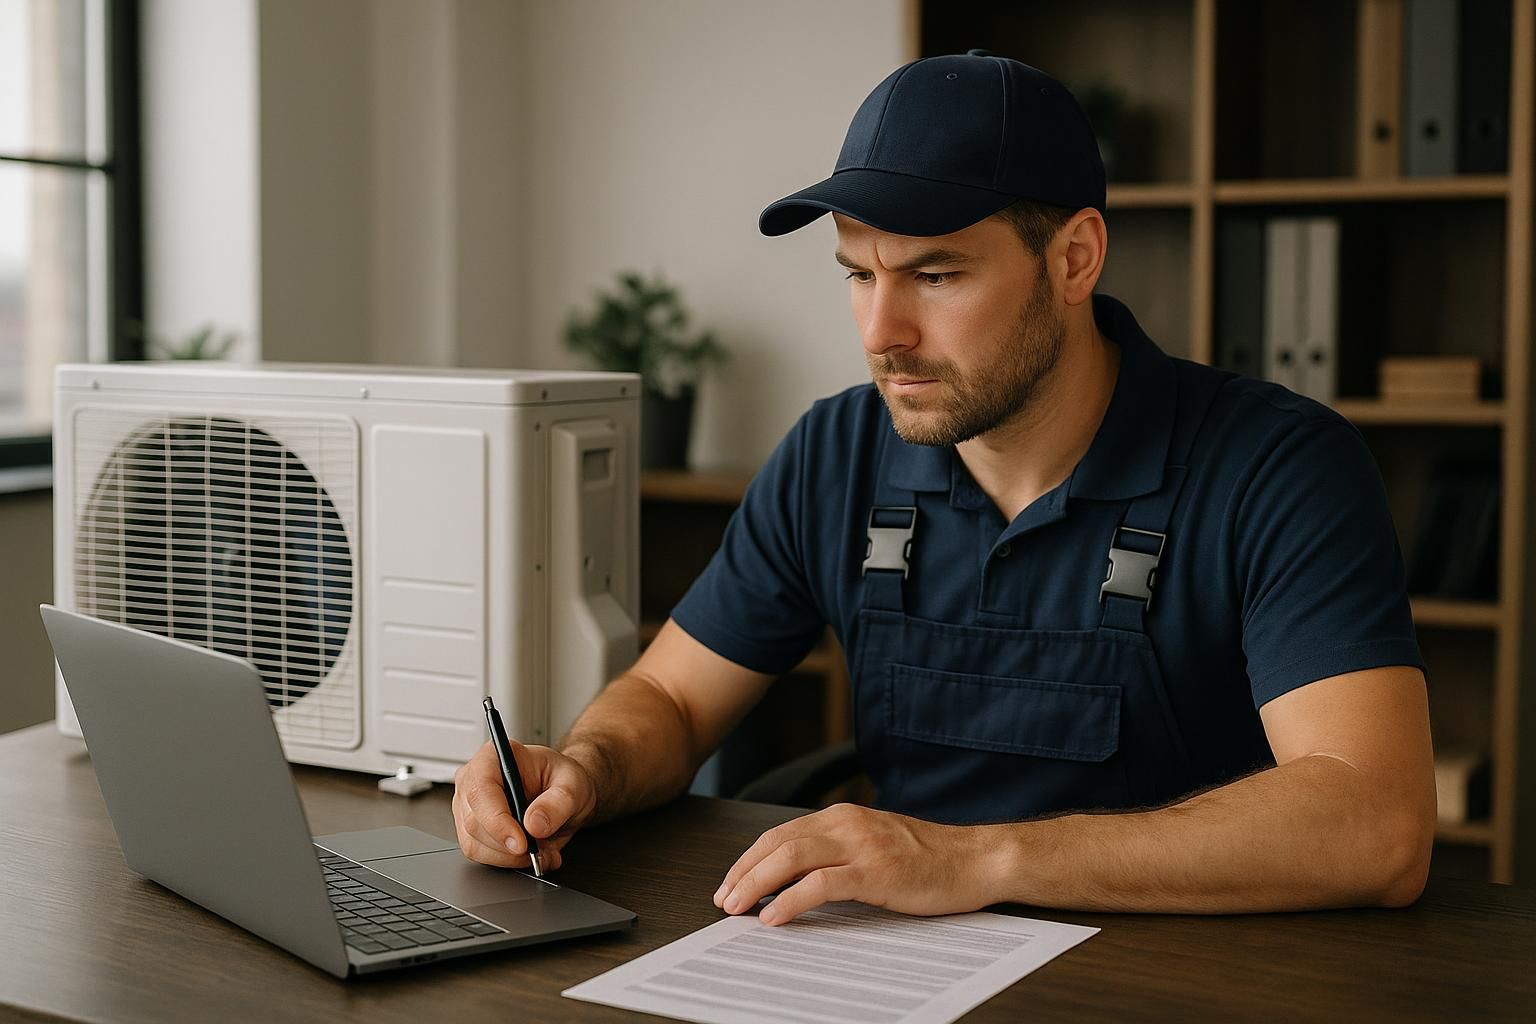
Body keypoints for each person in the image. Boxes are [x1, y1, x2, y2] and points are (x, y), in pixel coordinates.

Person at [453, 50, 1435, 925]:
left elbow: (1376, 819)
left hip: (1182, 969)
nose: (883, 331)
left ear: (1074, 259)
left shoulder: (1277, 468)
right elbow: (670, 694)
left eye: (935, 275)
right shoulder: (834, 453)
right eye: (858, 274)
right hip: (896, 963)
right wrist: (585, 770)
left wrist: (975, 856)